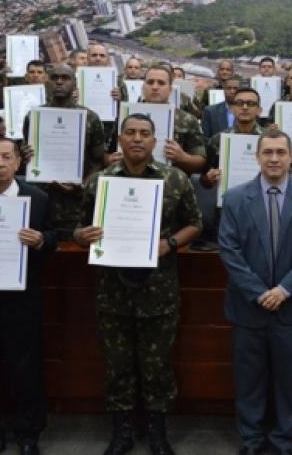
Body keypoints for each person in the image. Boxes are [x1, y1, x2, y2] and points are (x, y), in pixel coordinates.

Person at [74, 114, 202, 455]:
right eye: (130, 132)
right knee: (117, 366)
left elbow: (195, 224)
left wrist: (169, 244)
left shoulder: (175, 179)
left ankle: (158, 433)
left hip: (159, 291)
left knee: (158, 366)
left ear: (154, 141)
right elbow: (78, 227)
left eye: (145, 133)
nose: (137, 138)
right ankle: (122, 433)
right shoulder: (99, 181)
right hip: (112, 291)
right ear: (119, 139)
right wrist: (83, 236)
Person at [219, 129, 292, 455]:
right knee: (248, 380)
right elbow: (229, 250)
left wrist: (285, 289)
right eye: (268, 152)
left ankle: (283, 441)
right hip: (248, 306)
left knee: (289, 381)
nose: (274, 159)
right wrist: (259, 292)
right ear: (257, 157)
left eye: (281, 152)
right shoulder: (235, 198)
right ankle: (251, 440)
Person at [0, 138, 57, 455]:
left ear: (17, 162)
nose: (0, 163)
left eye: (6, 157)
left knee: (26, 368)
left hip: (22, 299)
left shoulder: (37, 198)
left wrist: (41, 240)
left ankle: (28, 436)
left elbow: (54, 238)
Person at [20, 63, 106, 241]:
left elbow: (99, 161)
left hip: (76, 203)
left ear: (75, 84)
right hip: (43, 198)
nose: (59, 82)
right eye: (54, 78)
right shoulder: (33, 117)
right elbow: (26, 155)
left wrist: (84, 184)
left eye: (65, 78)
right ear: (47, 82)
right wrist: (25, 156)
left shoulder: (91, 118)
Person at [201, 87, 264, 189]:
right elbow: (203, 177)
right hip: (228, 196)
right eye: (239, 103)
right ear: (232, 109)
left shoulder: (271, 139)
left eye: (250, 103)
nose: (244, 107)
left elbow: (287, 173)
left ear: (259, 110)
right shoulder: (218, 139)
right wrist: (209, 179)